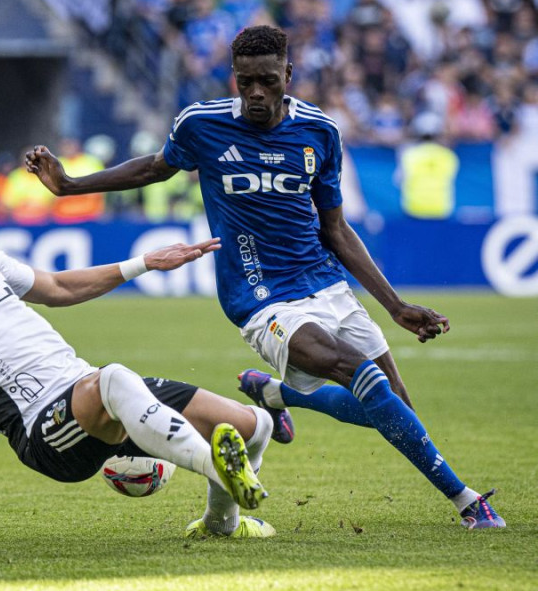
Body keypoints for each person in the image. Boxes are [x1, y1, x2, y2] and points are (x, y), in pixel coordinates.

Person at [25, 25, 504, 529]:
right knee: (354, 371)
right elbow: (152, 169)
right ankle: (468, 501)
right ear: (234, 77)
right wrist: (71, 186)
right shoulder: (201, 125)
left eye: (268, 81)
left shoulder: (320, 132)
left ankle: (279, 395)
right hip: (261, 298)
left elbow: (336, 229)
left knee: (395, 408)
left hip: (326, 284)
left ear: (288, 76)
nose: (256, 92)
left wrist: (395, 305)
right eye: (246, 81)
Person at [0, 162, 275, 548]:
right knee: (115, 377)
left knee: (254, 425)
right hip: (41, 428)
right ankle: (218, 469)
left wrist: (144, 262)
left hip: (88, 390)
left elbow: (56, 288)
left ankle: (222, 523)